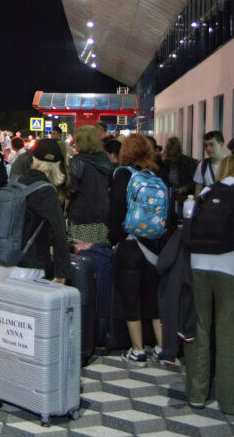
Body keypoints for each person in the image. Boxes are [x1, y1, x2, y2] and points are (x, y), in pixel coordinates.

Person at [184, 155, 234, 415]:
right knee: (230, 335)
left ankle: (197, 394)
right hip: (231, 268)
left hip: (199, 265)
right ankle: (228, 402)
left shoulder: (206, 192)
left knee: (200, 329)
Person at [107, 134, 165, 365]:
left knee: (130, 298)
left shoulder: (122, 174)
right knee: (153, 298)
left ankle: (138, 350)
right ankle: (162, 348)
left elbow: (116, 210)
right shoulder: (155, 175)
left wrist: (115, 237)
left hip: (130, 245)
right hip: (153, 246)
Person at [0, 138, 71, 285]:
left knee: (4, 306)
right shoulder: (46, 191)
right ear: (56, 165)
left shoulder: (17, 182)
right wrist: (62, 271)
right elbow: (59, 232)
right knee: (26, 307)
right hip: (27, 263)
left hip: (1, 260)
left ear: (33, 158)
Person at [66, 125, 113, 244]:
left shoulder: (76, 162)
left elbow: (70, 191)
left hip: (81, 214)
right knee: (97, 248)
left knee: (81, 251)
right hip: (103, 212)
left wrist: (63, 211)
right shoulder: (105, 160)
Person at [159, 136, 196, 223]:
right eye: (170, 156)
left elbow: (195, 181)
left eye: (173, 156)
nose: (171, 159)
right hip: (168, 197)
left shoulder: (188, 162)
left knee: (181, 220)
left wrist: (184, 188)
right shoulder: (165, 163)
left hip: (183, 198)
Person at [193, 131, 225, 196]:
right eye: (205, 145)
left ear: (221, 145)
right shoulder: (202, 166)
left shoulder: (232, 164)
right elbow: (198, 191)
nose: (208, 148)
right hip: (209, 205)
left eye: (211, 144)